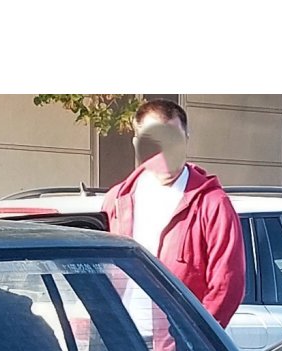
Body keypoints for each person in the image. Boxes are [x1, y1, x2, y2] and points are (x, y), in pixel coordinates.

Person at [101, 100, 246, 331]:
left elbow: (227, 286)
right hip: (119, 344)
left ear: (186, 138)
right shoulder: (117, 200)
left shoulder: (212, 204)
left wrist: (194, 340)